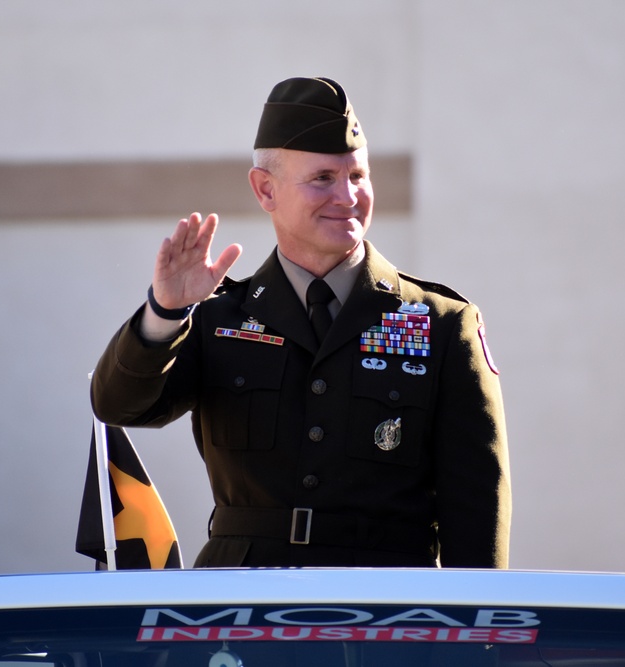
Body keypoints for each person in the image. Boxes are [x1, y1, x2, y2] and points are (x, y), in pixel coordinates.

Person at [91, 76, 510, 568]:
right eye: (323, 179)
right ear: (265, 189)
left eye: (358, 176)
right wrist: (165, 311)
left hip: (387, 605)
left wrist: (470, 635)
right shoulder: (218, 316)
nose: (348, 196)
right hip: (241, 605)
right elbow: (119, 406)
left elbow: (476, 508)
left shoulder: (441, 325)